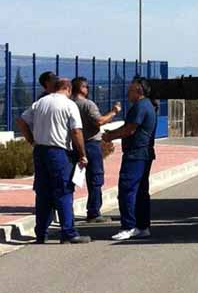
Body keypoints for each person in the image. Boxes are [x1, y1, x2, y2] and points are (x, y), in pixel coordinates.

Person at [16, 78, 91, 244]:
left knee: (43, 193)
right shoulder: (69, 105)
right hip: (59, 152)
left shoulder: (40, 102)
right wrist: (82, 154)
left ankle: (41, 233)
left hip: (40, 150)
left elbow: (21, 121)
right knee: (64, 191)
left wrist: (31, 140)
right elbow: (76, 131)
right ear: (68, 89)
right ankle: (69, 233)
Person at [103, 77, 156, 241]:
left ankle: (128, 226)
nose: (127, 93)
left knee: (127, 190)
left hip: (136, 154)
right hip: (142, 154)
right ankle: (142, 226)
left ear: (139, 90)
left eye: (130, 89)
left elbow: (129, 129)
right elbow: (128, 126)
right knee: (140, 192)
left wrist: (109, 136)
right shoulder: (146, 105)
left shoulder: (140, 106)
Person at [71, 77, 122, 223]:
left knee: (69, 179)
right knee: (95, 179)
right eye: (86, 86)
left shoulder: (69, 104)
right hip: (91, 144)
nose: (88, 89)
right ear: (81, 88)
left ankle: (66, 211)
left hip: (73, 144)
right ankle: (93, 211)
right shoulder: (87, 104)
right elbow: (99, 121)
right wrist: (113, 112)